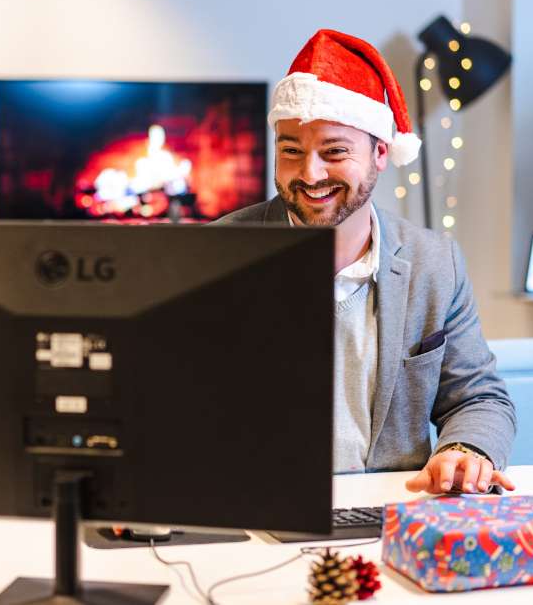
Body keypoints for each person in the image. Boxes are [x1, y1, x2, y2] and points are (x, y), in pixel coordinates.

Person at [215, 29, 516, 495]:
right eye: (291, 150)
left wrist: (466, 451)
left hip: (391, 510)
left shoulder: (436, 264)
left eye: (334, 151)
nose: (309, 174)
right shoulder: (218, 253)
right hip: (254, 505)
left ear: (380, 153)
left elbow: (478, 399)